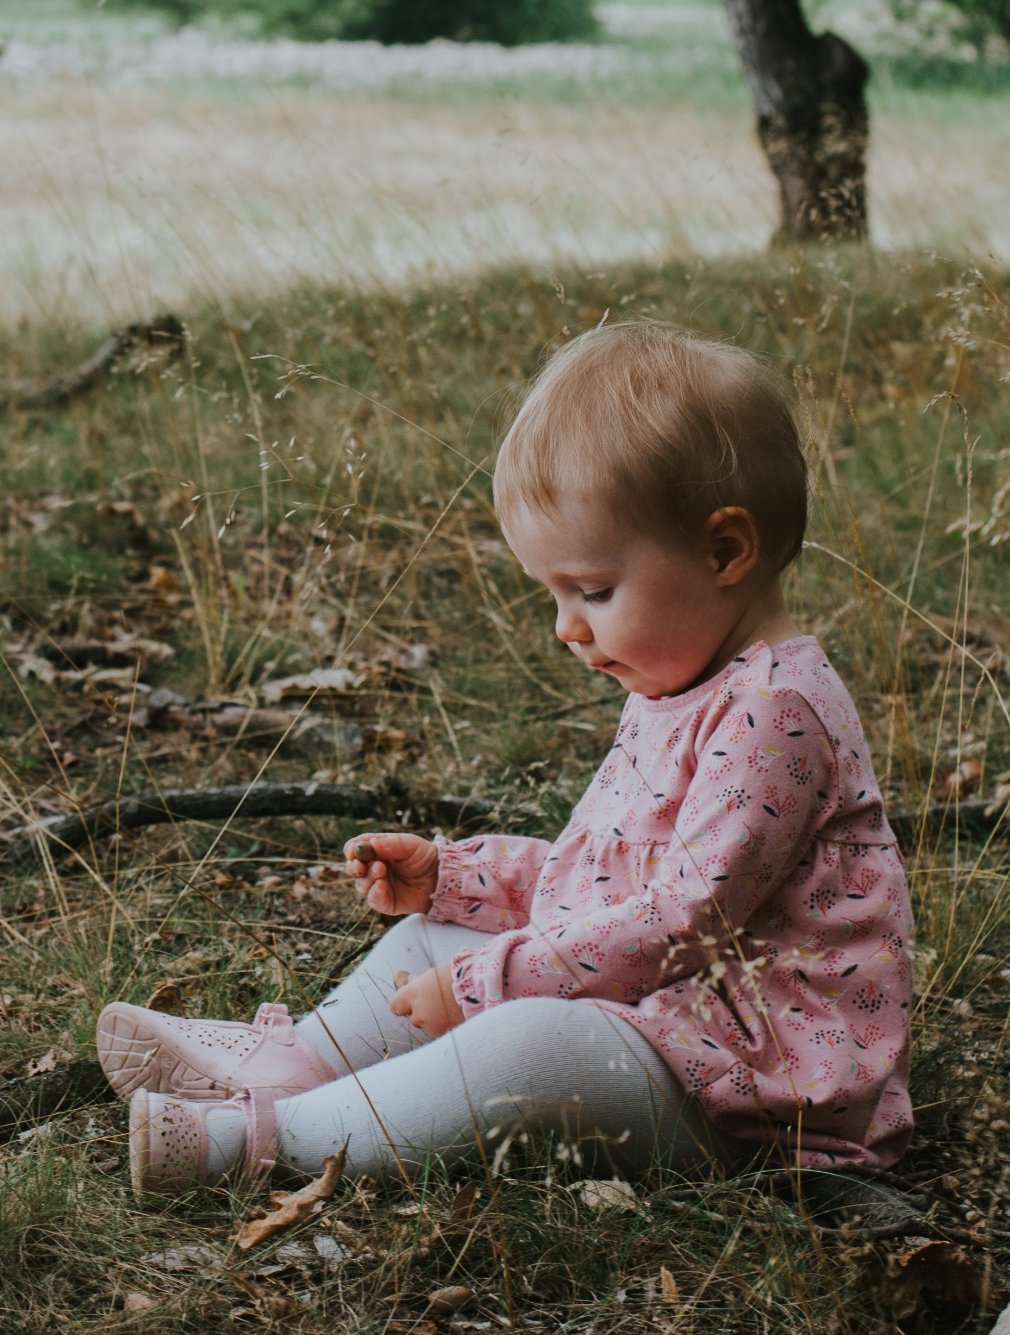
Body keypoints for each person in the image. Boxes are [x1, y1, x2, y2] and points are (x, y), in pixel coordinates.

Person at [96, 321, 915, 1195]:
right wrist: (459, 879)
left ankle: (278, 1138)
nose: (567, 627)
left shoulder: (773, 714)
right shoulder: (683, 686)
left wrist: (492, 983)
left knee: (527, 1044)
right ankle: (301, 1060)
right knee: (434, 935)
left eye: (594, 592)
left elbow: (681, 920)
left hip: (751, 1094)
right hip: (672, 1022)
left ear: (724, 551)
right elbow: (601, 886)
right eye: (554, 593)